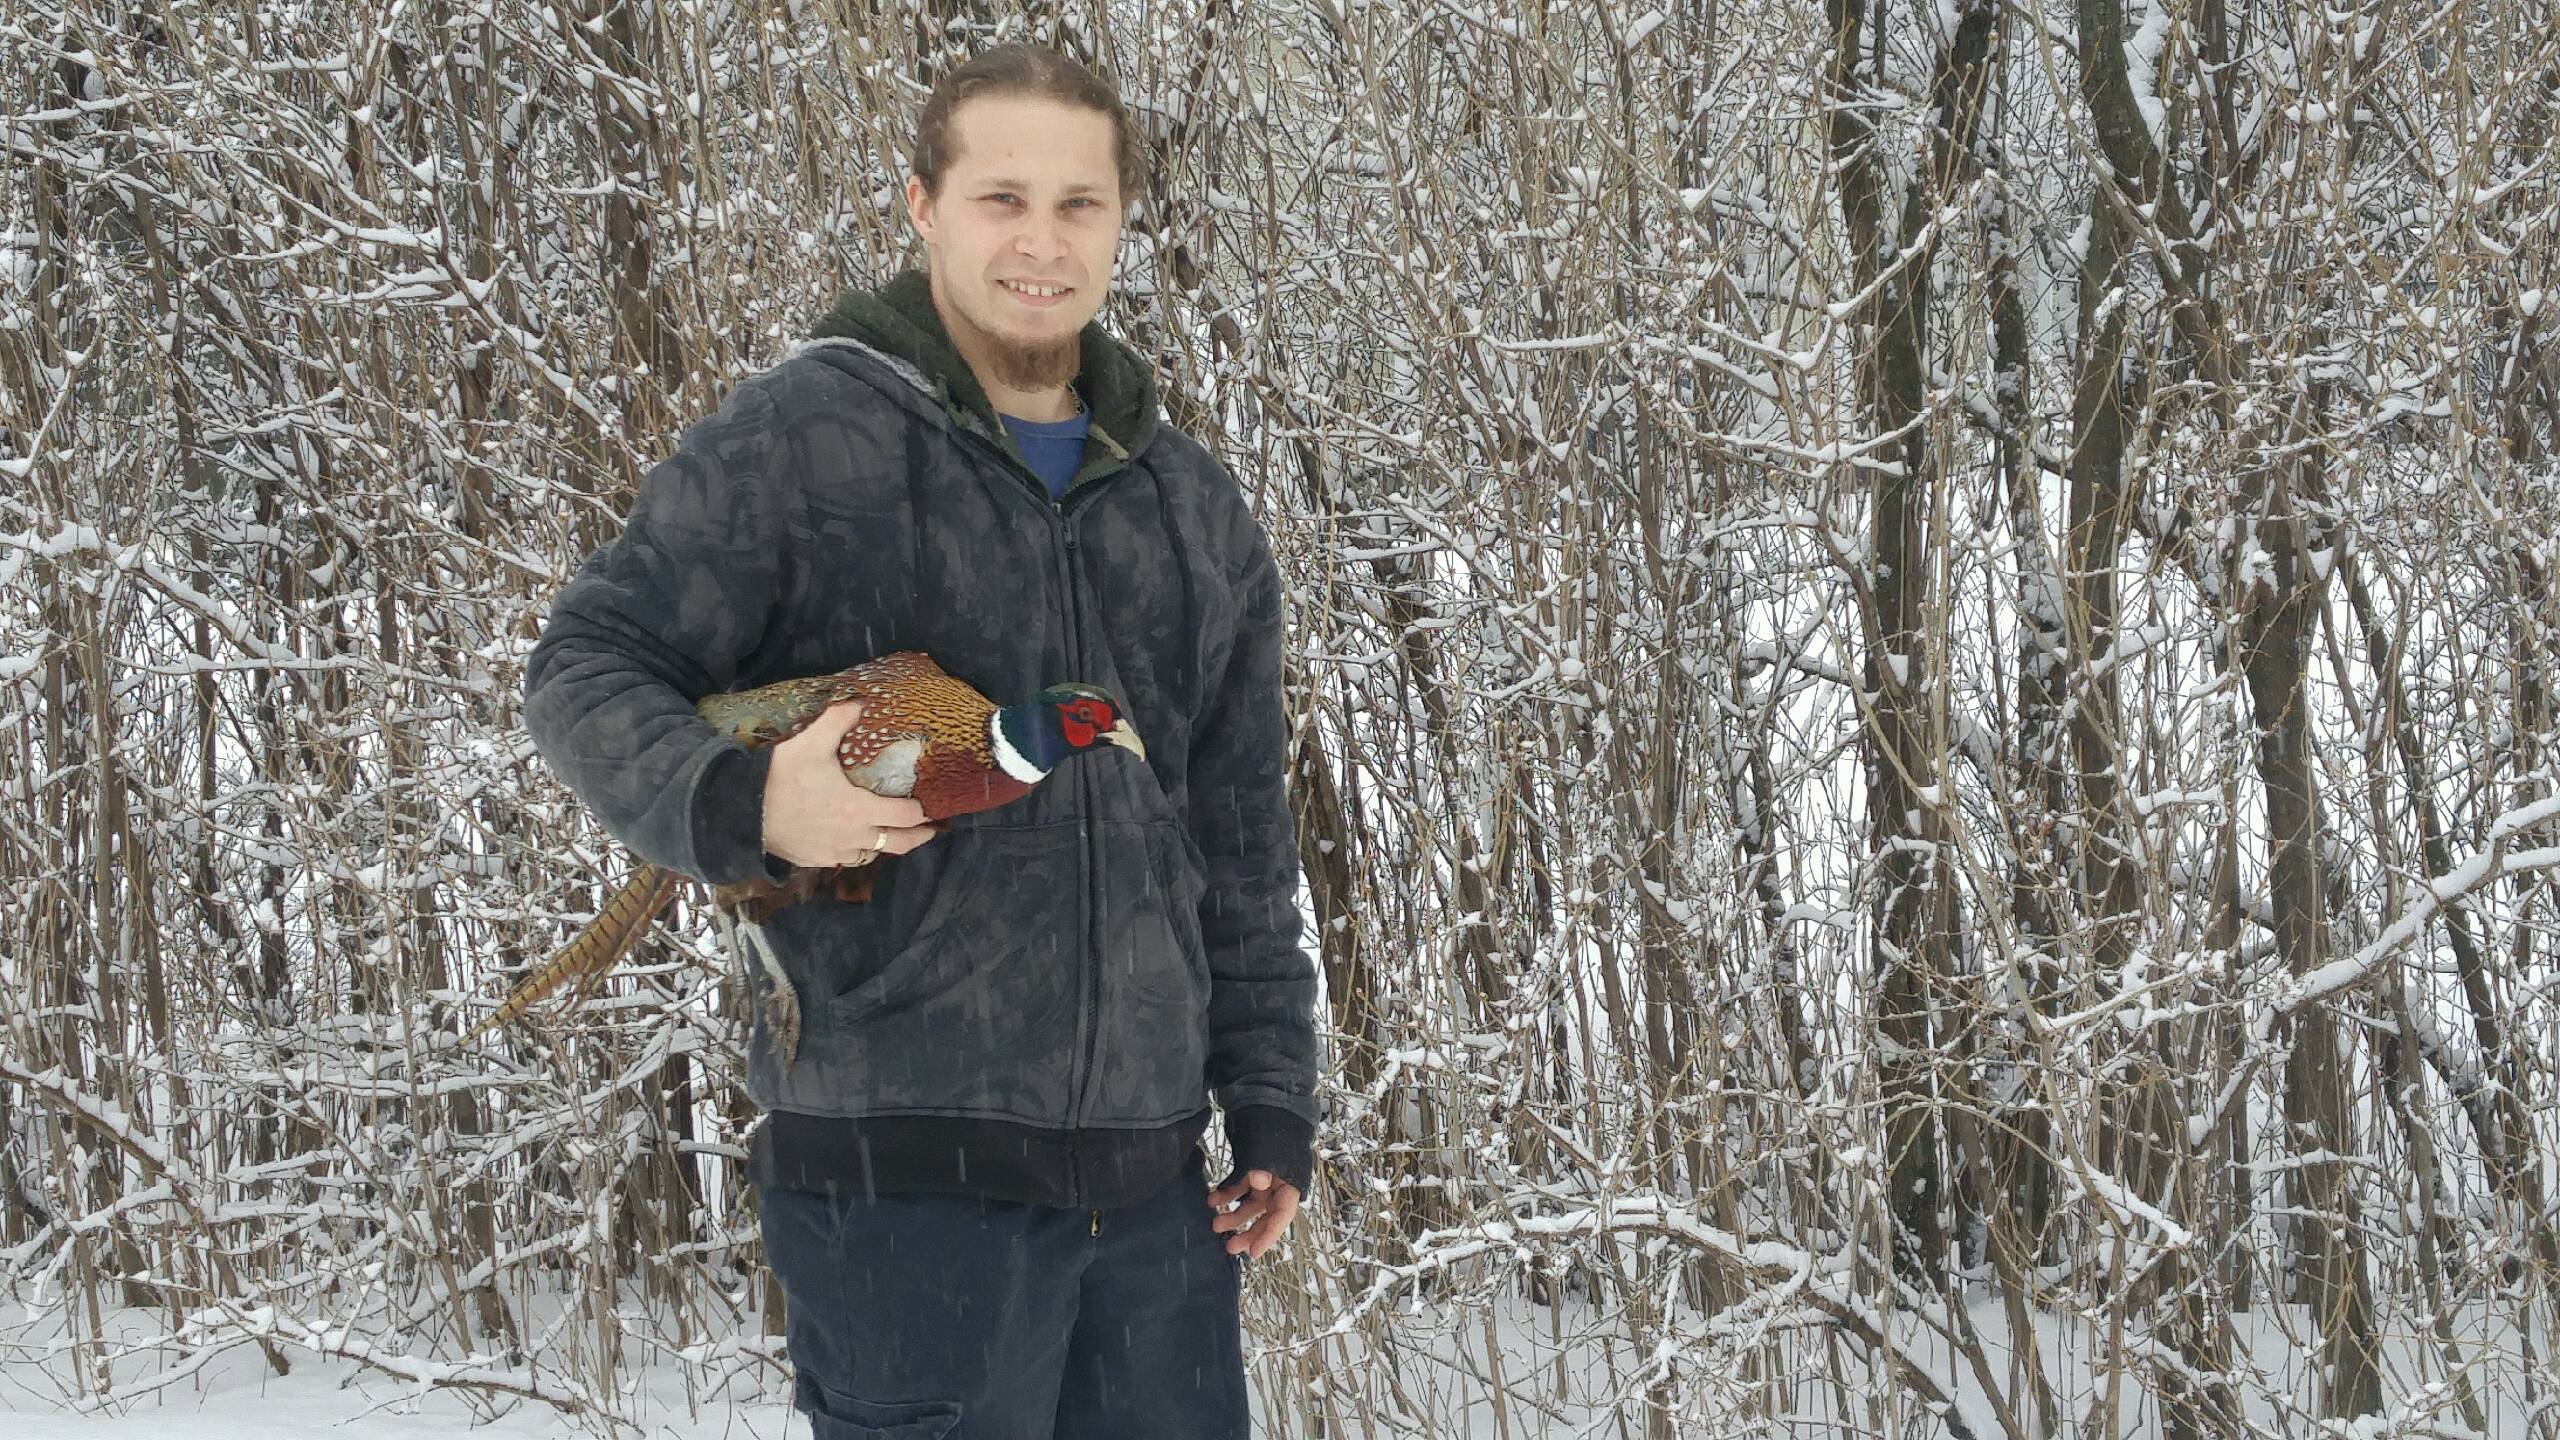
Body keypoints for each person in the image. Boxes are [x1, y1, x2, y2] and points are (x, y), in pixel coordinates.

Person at [516, 40, 1319, 1440]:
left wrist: (1269, 1102)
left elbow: (1239, 840)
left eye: (1080, 205)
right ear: (921, 207)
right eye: (1001, 197)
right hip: (907, 1198)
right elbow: (584, 665)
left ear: (1122, 222)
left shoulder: (1190, 509)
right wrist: (753, 800)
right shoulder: (806, 445)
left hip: (1152, 1207)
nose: (1041, 242)